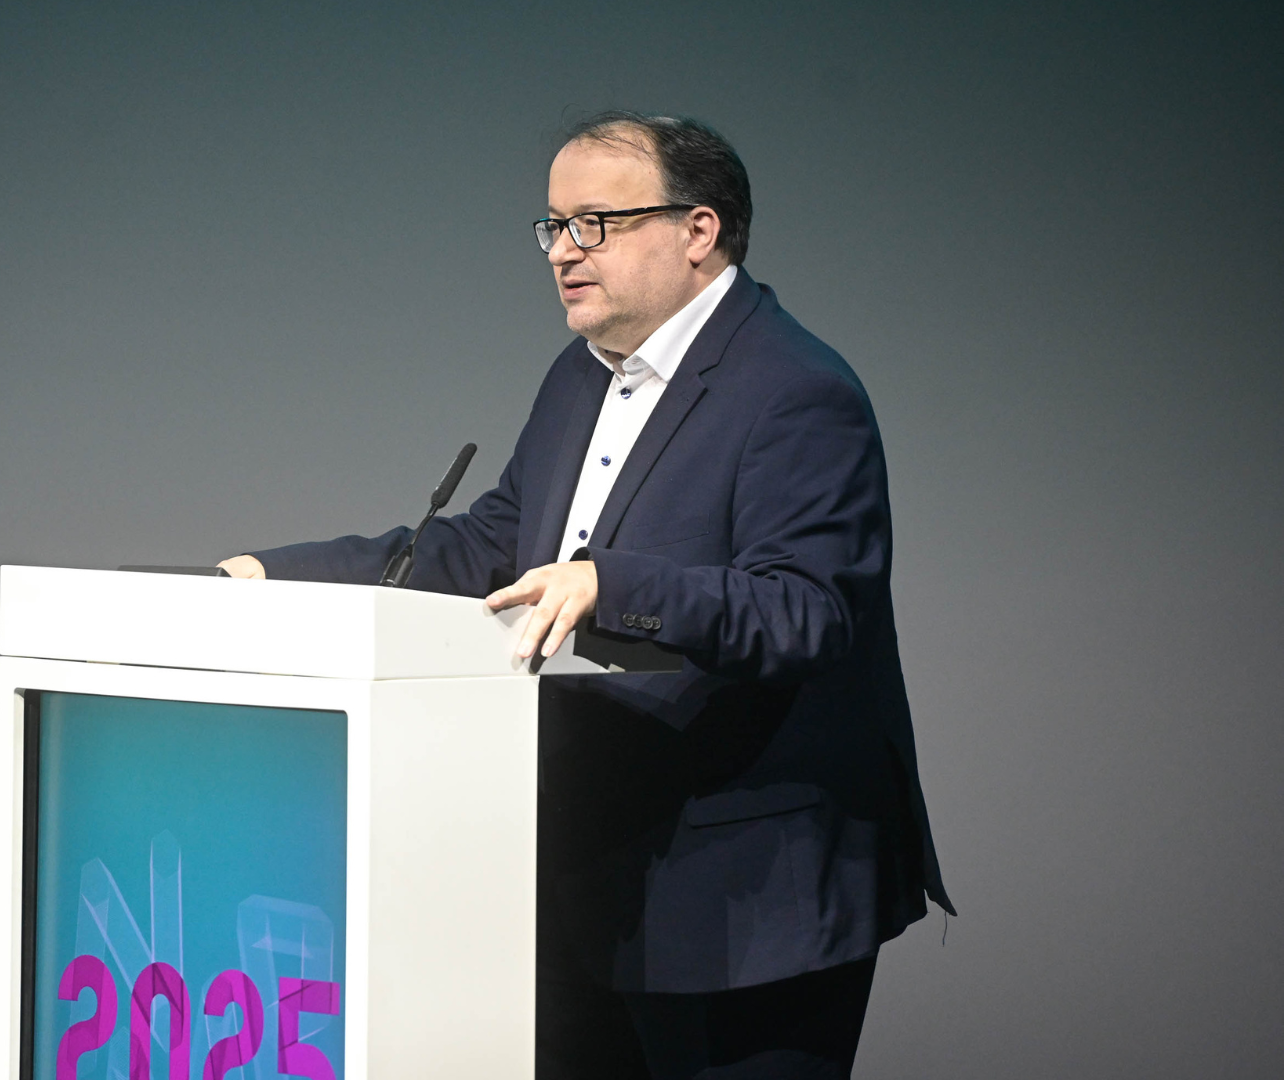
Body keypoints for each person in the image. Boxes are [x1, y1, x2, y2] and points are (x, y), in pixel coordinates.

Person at [218, 112, 952, 1079]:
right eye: (554, 226)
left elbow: (804, 610)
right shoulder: (580, 376)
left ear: (699, 230)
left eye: (595, 223)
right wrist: (271, 577)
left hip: (742, 897)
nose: (564, 250)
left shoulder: (797, 391)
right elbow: (491, 546)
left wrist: (614, 584)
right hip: (577, 874)